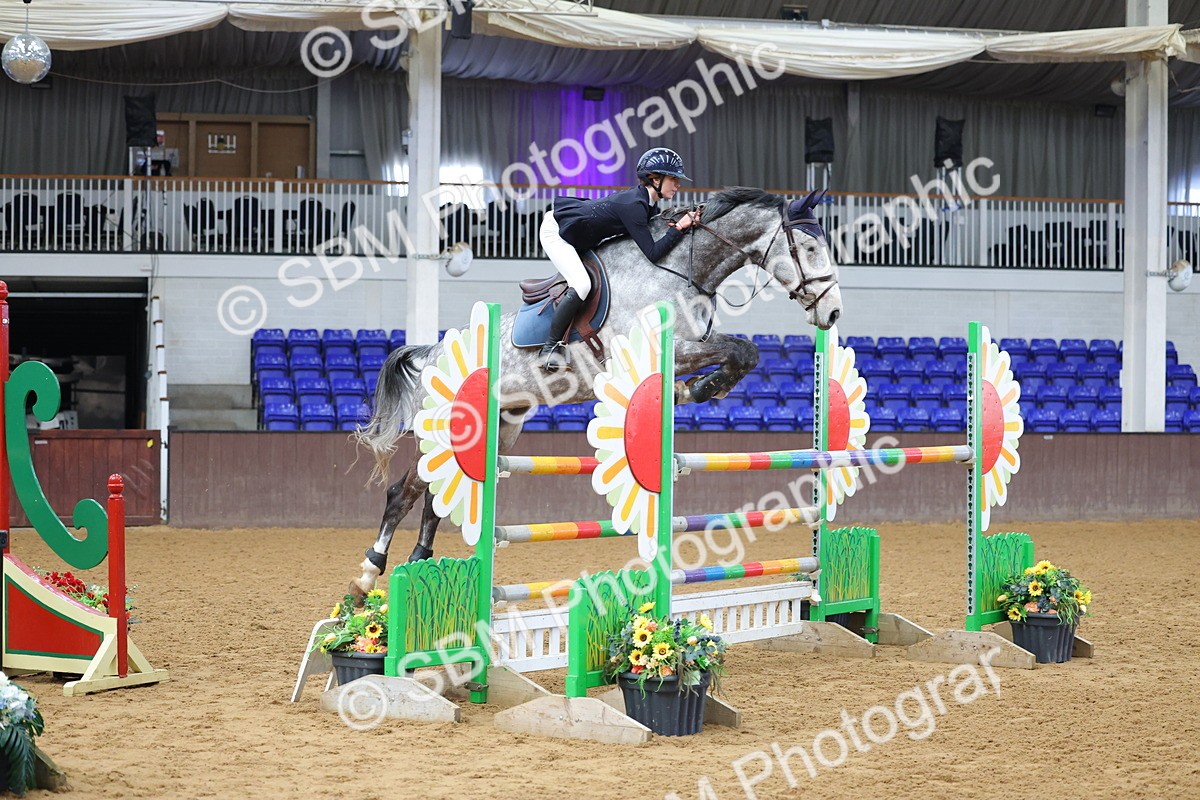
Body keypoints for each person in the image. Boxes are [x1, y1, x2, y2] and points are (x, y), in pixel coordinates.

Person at [537, 147, 698, 371]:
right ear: (655, 179)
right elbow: (653, 253)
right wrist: (679, 228)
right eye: (673, 179)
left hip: (580, 235)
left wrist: (679, 227)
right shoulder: (635, 206)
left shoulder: (649, 205)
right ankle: (550, 349)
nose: (678, 184)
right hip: (556, 231)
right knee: (582, 284)